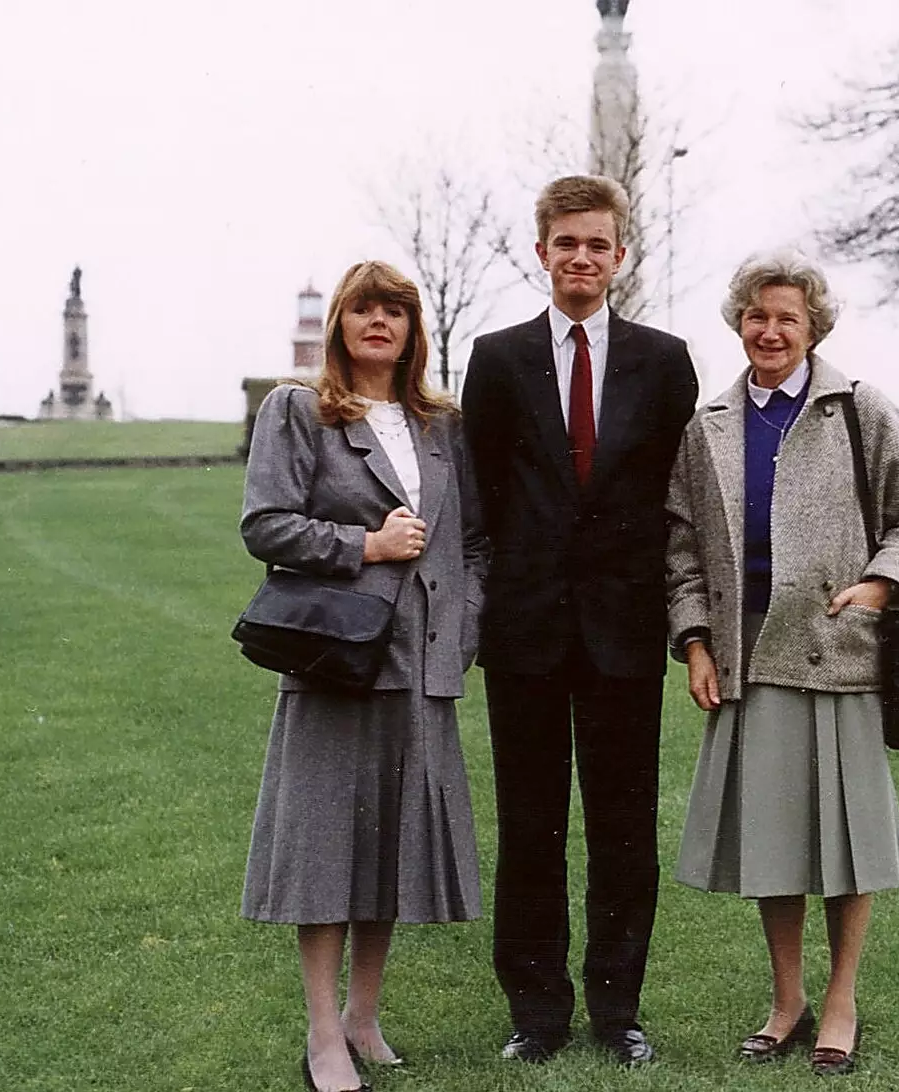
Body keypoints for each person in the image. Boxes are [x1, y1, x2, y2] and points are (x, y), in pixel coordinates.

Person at [665, 252, 899, 1076]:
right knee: (774, 840)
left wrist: (881, 585)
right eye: (758, 316)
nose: (771, 331)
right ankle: (787, 999)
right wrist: (694, 640)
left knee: (847, 842)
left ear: (813, 327)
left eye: (788, 318)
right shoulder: (708, 425)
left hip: (836, 656)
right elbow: (681, 546)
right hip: (747, 660)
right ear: (739, 323)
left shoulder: (858, 409)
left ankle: (840, 1002)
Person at [461, 175, 699, 1067]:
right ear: (542, 252)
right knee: (530, 825)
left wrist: (683, 624)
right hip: (524, 634)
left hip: (622, 635)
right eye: (567, 244)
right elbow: (480, 500)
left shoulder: (664, 360)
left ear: (619, 257)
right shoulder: (496, 358)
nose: (582, 259)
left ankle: (616, 1009)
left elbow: (680, 499)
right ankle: (537, 1013)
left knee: (622, 828)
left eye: (598, 245)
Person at [240, 260, 488, 1092]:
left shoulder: (443, 425)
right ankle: (321, 1035)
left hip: (422, 667)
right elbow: (266, 523)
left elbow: (475, 544)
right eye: (363, 309)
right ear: (340, 322)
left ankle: (364, 1017)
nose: (378, 323)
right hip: (337, 660)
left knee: (390, 845)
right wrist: (363, 547)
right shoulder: (298, 410)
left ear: (414, 329)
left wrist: (460, 635)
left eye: (395, 311)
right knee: (323, 848)